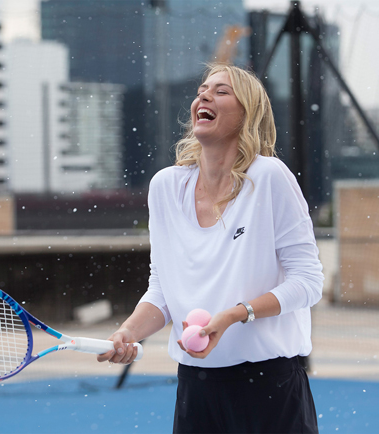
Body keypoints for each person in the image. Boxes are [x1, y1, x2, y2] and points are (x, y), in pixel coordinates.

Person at [97, 63, 324, 434]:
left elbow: (309, 282)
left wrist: (236, 314)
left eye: (221, 91)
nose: (204, 95)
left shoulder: (269, 177)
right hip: (195, 389)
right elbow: (163, 289)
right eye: (203, 89)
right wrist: (128, 332)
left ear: (246, 115)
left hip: (271, 388)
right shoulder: (165, 187)